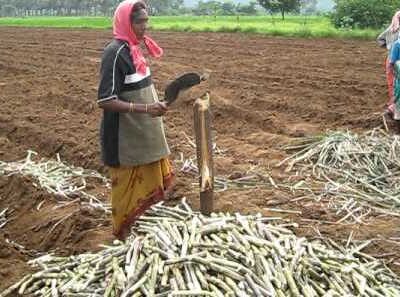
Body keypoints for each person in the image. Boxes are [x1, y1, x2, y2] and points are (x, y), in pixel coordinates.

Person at [97, 0, 174, 239]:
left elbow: (139, 88)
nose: (145, 26)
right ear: (126, 23)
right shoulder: (115, 52)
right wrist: (145, 108)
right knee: (126, 192)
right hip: (124, 138)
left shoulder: (133, 49)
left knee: (148, 183)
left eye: (146, 21)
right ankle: (121, 234)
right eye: (139, 21)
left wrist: (155, 105)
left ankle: (137, 230)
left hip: (144, 133)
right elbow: (105, 100)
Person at [377, 11, 400, 116]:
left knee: (393, 83)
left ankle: (393, 104)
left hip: (391, 59)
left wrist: (389, 48)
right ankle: (395, 106)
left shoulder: (391, 29)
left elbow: (380, 40)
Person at [389, 39, 400, 124]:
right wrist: (395, 75)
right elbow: (392, 63)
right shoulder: (397, 44)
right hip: (399, 74)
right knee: (398, 94)